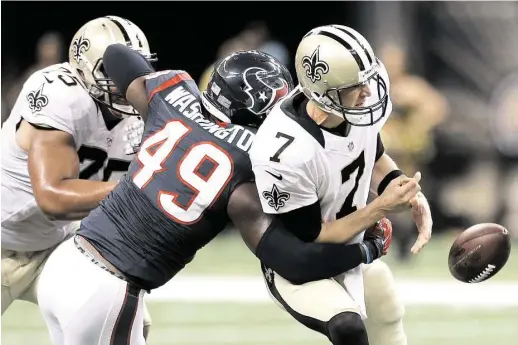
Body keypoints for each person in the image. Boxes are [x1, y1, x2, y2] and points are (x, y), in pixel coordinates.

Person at [35, 45, 414, 345]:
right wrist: (367, 248)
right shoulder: (249, 166)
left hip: (63, 265)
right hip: (108, 290)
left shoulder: (169, 97)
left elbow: (117, 55)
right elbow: (295, 263)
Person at [249, 25, 433, 345]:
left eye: (366, 79)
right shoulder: (285, 149)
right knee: (347, 327)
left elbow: (374, 157)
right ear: (322, 93)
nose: (366, 92)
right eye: (354, 86)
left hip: (346, 243)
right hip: (298, 261)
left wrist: (406, 189)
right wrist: (382, 207)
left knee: (385, 301)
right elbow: (314, 235)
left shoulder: (351, 108)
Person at [1, 15, 154, 337]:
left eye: (134, 69)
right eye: (111, 72)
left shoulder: (151, 109)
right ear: (82, 66)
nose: (125, 82)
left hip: (56, 246)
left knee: (121, 322)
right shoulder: (60, 91)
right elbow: (54, 197)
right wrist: (143, 187)